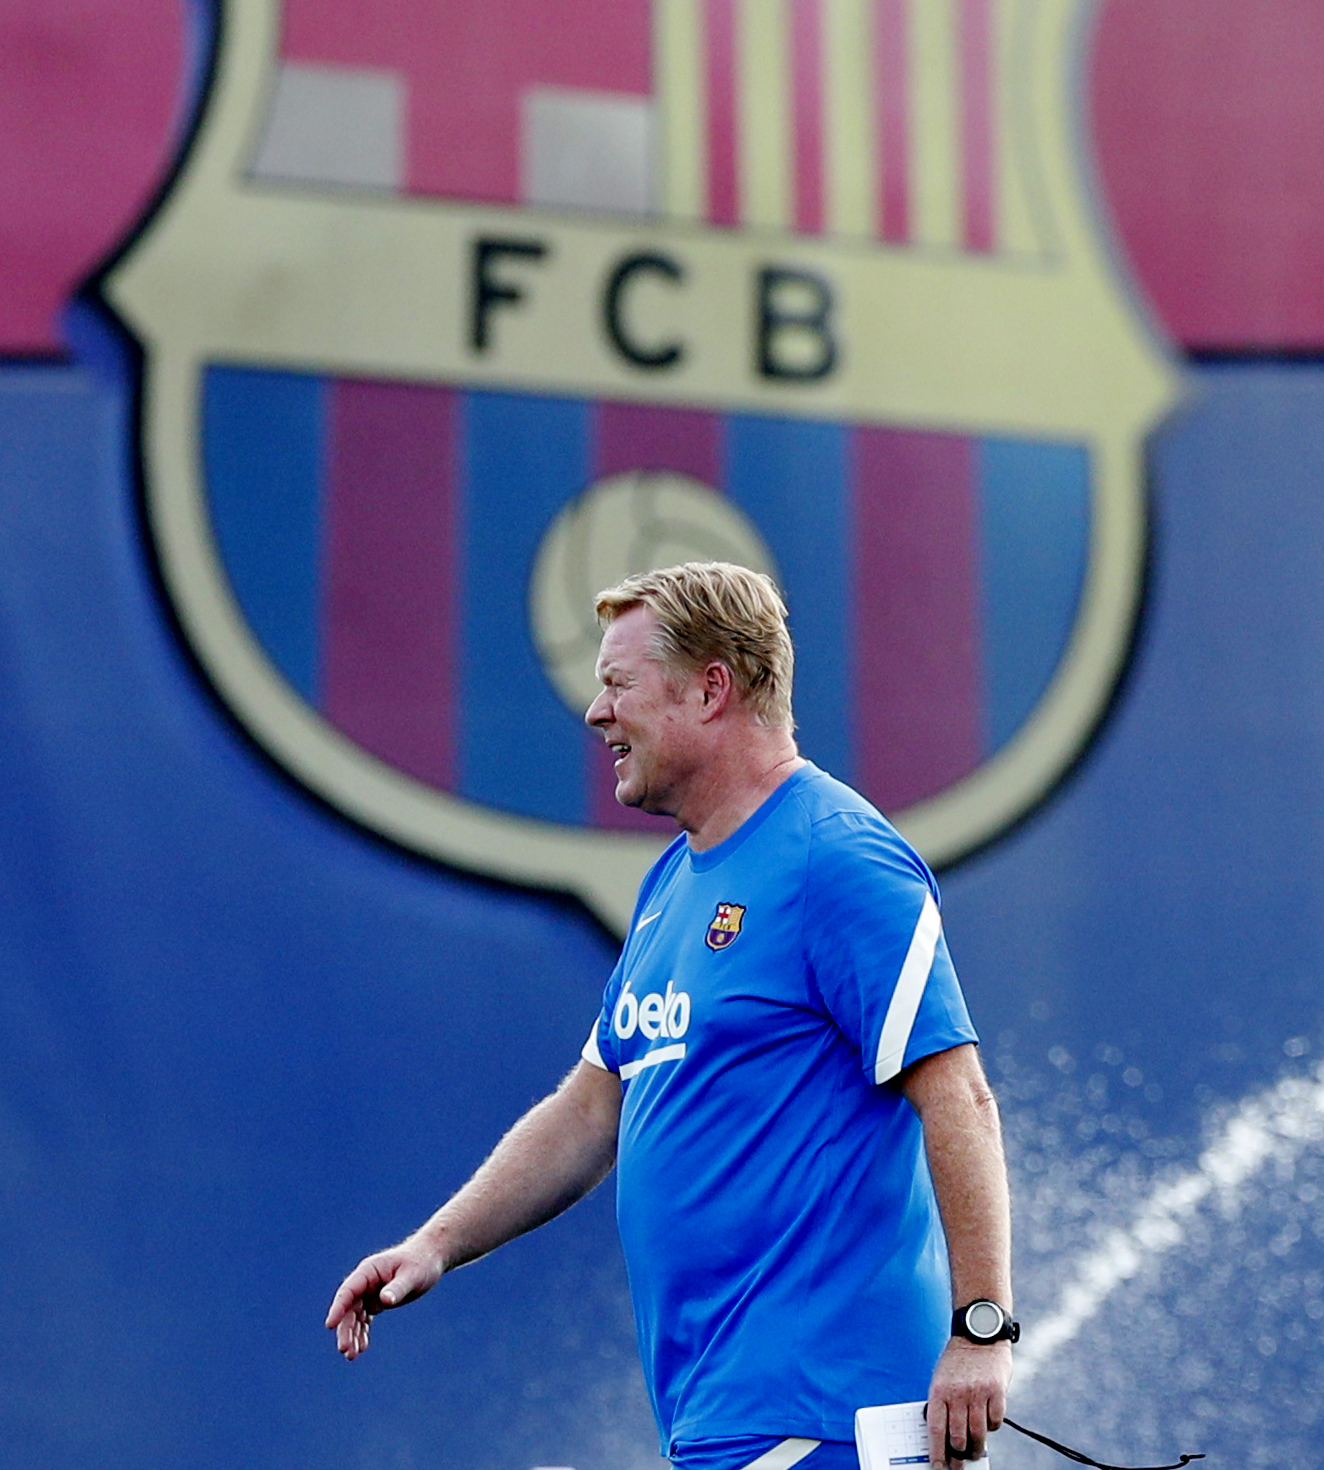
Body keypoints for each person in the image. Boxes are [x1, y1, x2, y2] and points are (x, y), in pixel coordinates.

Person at [325, 562, 1014, 1470]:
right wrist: (435, 1245)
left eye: (617, 684)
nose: (596, 713)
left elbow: (959, 1097)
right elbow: (592, 1107)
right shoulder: (674, 881)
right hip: (728, 1422)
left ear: (710, 689)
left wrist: (981, 1331)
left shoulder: (837, 858)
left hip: (824, 1418)